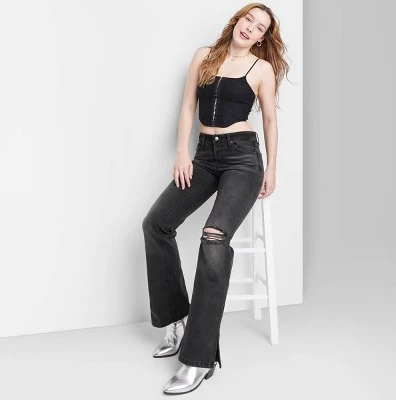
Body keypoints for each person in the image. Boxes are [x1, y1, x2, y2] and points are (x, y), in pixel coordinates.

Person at [142, 2, 289, 395]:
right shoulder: (204, 56)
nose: (250, 28)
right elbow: (188, 106)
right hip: (204, 156)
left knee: (213, 238)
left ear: (262, 38)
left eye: (260, 27)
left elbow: (270, 120)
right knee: (156, 224)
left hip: (243, 159)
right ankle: (177, 321)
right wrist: (181, 154)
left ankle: (198, 359)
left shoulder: (261, 69)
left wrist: (272, 169)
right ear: (237, 21)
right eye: (248, 19)